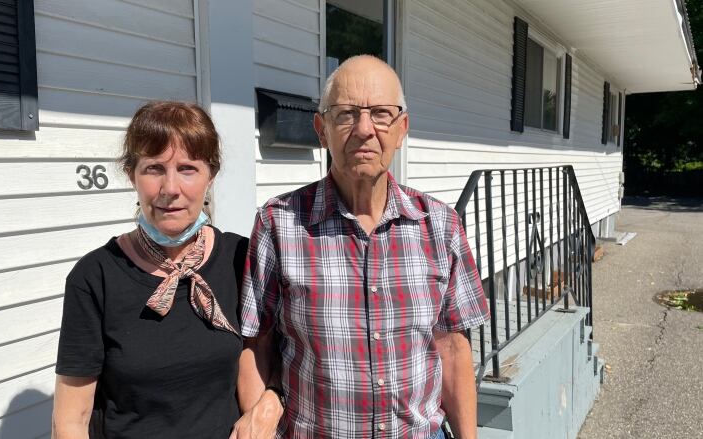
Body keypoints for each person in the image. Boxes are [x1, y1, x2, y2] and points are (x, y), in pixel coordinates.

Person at [237, 55, 490, 439]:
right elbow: (258, 342)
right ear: (321, 130)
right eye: (346, 114)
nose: (364, 129)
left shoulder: (441, 225)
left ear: (402, 128)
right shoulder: (278, 223)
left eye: (382, 114)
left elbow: (453, 350)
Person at [52, 101, 249, 438]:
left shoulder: (240, 258)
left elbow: (257, 365)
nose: (170, 188)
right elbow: (71, 419)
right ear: (132, 175)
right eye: (154, 168)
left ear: (210, 175)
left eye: (188, 168)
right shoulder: (95, 277)